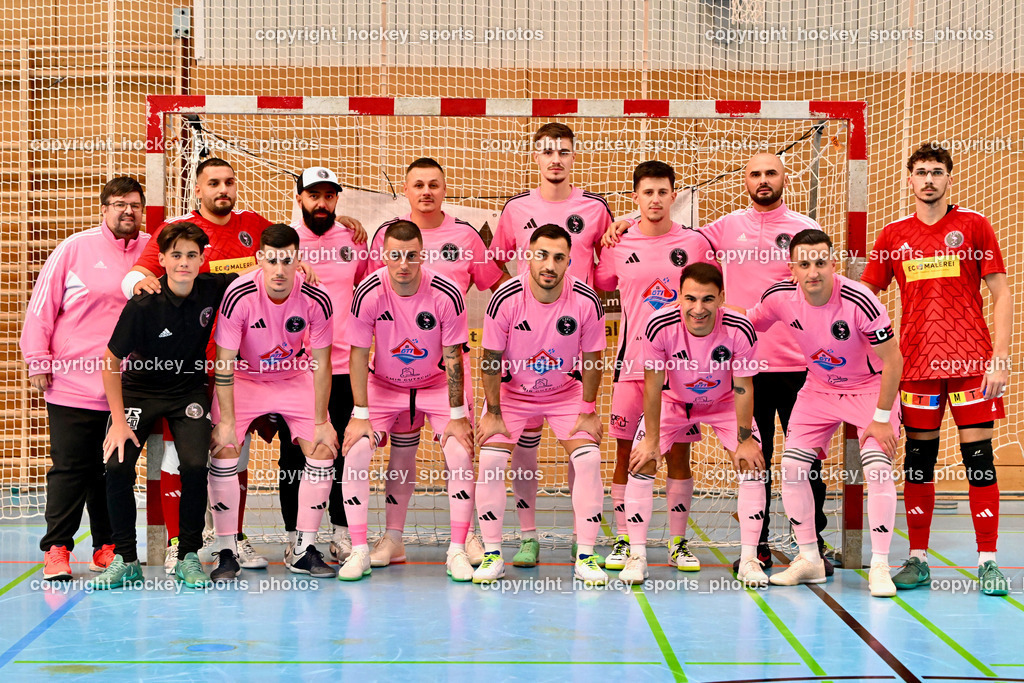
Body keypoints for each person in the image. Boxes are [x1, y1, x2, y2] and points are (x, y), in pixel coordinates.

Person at [604, 152, 833, 574]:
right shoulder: (726, 227)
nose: (763, 180)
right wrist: (626, 221)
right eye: (755, 173)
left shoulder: (805, 229)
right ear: (745, 180)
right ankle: (755, 550)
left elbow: (824, 281)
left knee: (803, 459)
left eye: (771, 173)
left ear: (785, 178)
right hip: (731, 368)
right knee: (750, 458)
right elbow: (664, 225)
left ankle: (812, 546)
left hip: (795, 362)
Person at [861, 143, 1013, 596]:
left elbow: (1002, 293)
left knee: (979, 460)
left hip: (971, 363)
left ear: (949, 177)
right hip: (915, 365)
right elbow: (865, 296)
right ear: (909, 179)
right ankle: (918, 559)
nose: (929, 179)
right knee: (918, 462)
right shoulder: (893, 235)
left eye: (937, 172)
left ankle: (988, 561)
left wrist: (1000, 358)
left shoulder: (975, 225)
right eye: (921, 172)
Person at [364, 157, 506, 568]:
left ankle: (468, 536)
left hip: (448, 371)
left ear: (445, 189)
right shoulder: (386, 236)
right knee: (401, 455)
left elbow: (500, 288)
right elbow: (367, 293)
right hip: (394, 371)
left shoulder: (465, 236)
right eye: (418, 185)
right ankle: (393, 539)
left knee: (459, 450)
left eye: (434, 184)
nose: (426, 191)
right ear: (406, 190)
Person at [746, 229, 901, 597]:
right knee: (792, 467)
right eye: (804, 264)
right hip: (819, 388)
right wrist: (700, 314)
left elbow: (894, 360)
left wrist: (881, 418)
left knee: (878, 468)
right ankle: (810, 559)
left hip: (869, 387)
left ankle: (880, 566)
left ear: (833, 264)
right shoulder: (779, 297)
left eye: (820, 262)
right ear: (792, 269)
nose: (812, 271)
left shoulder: (860, 300)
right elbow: (745, 322)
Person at [491, 123, 614, 564]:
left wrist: (623, 228)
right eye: (547, 151)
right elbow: (495, 261)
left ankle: (585, 541)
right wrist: (519, 311)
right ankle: (528, 536)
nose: (555, 159)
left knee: (581, 447)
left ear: (574, 156)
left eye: (563, 151)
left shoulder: (595, 208)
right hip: (523, 351)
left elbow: (610, 264)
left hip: (573, 345)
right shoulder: (515, 209)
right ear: (535, 157)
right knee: (523, 447)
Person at [91, 222, 235, 589]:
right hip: (139, 392)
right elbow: (110, 361)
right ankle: (126, 558)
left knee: (195, 465)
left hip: (188, 392)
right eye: (176, 255)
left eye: (191, 255)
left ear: (201, 260)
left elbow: (258, 272)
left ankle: (188, 555)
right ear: (164, 261)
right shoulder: (143, 304)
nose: (184, 262)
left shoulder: (212, 288)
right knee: (117, 465)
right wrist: (119, 421)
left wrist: (296, 264)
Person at [20, 176, 149, 581]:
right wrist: (38, 360)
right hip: (73, 383)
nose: (127, 210)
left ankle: (106, 547)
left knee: (113, 469)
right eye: (119, 203)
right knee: (71, 468)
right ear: (104, 208)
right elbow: (42, 307)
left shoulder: (152, 251)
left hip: (128, 387)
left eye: (135, 204)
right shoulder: (74, 248)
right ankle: (57, 549)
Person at [594, 160, 716, 572]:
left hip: (681, 371)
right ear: (636, 197)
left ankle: (678, 543)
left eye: (663, 192)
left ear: (673, 195)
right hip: (631, 365)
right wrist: (623, 225)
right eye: (647, 192)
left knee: (679, 456)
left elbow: (712, 297)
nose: (656, 199)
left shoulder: (694, 243)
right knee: (626, 454)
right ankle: (625, 540)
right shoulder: (618, 243)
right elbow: (603, 283)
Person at [340, 220, 476, 582]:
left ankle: (458, 549)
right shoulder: (368, 292)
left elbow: (454, 355)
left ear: (423, 255)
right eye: (396, 256)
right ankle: (362, 549)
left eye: (412, 256)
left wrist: (458, 415)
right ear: (383, 255)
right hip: (384, 385)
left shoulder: (446, 292)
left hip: (436, 384)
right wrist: (360, 413)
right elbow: (358, 354)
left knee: (460, 453)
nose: (403, 264)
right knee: (356, 451)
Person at [474, 224, 608, 586]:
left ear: (569, 261)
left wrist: (588, 409)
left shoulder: (586, 300)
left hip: (565, 392)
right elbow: (490, 359)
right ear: (527, 257)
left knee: (589, 458)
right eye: (542, 255)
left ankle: (586, 555)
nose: (549, 265)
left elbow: (593, 358)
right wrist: (494, 413)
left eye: (559, 258)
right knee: (490, 461)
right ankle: (493, 554)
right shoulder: (505, 298)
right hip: (513, 394)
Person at [209, 224, 338, 579]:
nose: (279, 270)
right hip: (245, 377)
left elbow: (323, 362)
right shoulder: (238, 294)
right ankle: (226, 550)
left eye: (287, 260)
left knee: (323, 448)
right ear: (259, 259)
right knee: (224, 448)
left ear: (298, 259)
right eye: (272, 260)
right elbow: (224, 361)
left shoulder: (316, 296)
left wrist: (322, 421)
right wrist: (226, 423)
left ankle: (303, 549)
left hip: (293, 377)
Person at [625, 263, 765, 585]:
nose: (698, 308)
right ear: (679, 297)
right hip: (674, 401)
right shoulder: (659, 324)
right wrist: (651, 441)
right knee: (642, 461)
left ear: (721, 298)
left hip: (724, 402)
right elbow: (652, 386)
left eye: (707, 299)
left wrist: (745, 440)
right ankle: (637, 556)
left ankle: (749, 560)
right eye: (690, 298)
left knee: (752, 464)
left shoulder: (740, 328)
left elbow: (744, 387)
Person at [277, 167, 368, 566]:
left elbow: (366, 290)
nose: (321, 203)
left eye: (329, 196)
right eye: (313, 195)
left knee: (345, 452)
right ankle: (295, 537)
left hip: (346, 365)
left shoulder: (353, 238)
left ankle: (342, 533)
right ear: (299, 197)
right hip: (296, 369)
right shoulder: (284, 242)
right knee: (294, 457)